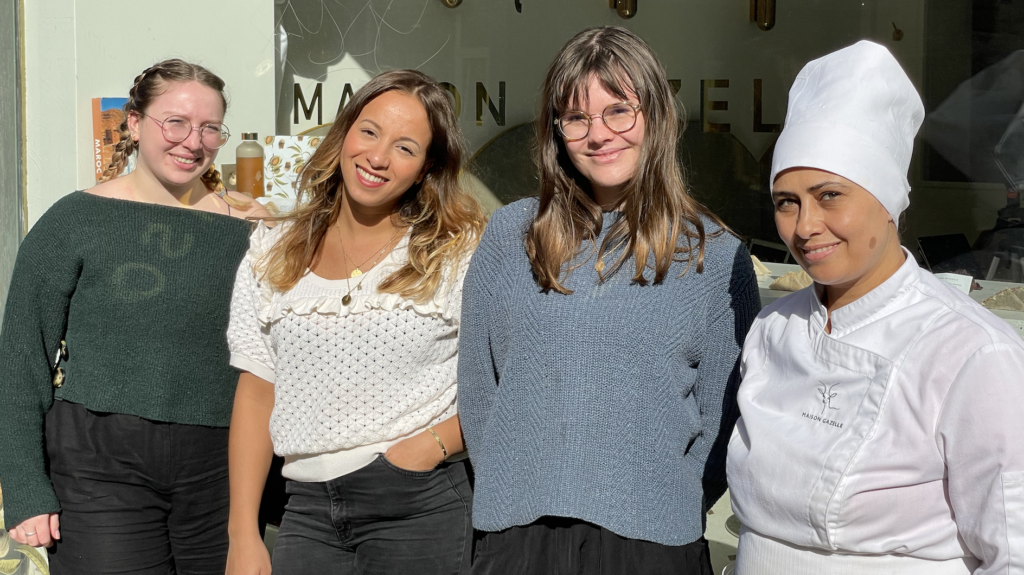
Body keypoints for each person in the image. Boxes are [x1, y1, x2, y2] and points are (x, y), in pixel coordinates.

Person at [457, 26, 761, 575]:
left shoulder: (714, 256)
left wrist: (666, 498)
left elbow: (729, 415)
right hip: (518, 537)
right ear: (557, 131)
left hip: (652, 540)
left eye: (619, 110)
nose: (599, 134)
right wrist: (512, 481)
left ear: (656, 117)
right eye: (577, 117)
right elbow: (479, 391)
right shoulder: (510, 235)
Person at [726, 40, 1024, 574]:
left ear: (887, 200)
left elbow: (1014, 550)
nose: (805, 225)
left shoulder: (973, 352)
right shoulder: (773, 327)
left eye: (830, 195)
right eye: (785, 202)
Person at [0, 58, 268, 573]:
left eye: (210, 128)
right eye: (176, 122)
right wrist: (25, 487)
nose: (193, 141)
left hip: (220, 467)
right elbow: (21, 358)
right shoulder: (75, 219)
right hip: (99, 465)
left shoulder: (251, 230)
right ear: (135, 122)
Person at [225, 69, 483, 575]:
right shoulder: (271, 249)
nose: (378, 157)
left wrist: (432, 446)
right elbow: (257, 393)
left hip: (420, 503)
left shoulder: (459, 252)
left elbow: (507, 375)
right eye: (369, 132)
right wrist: (242, 533)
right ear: (343, 134)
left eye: (405, 148)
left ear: (426, 168)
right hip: (306, 508)